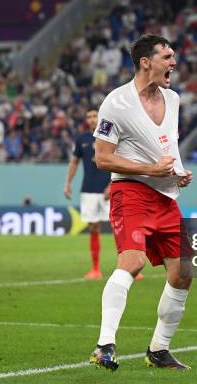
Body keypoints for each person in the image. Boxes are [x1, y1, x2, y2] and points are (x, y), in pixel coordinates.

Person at [89, 34, 194, 371]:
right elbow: (103, 159)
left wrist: (177, 171)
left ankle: (158, 350)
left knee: (184, 273)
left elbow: (165, 143)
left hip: (166, 196)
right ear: (146, 62)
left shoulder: (173, 99)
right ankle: (105, 344)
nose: (174, 63)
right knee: (131, 263)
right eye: (167, 57)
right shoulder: (115, 103)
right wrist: (150, 169)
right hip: (131, 192)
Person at [63, 109, 112, 280]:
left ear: (101, 116)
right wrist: (68, 183)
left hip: (110, 190)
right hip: (89, 190)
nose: (92, 119)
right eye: (89, 117)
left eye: (94, 116)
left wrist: (112, 185)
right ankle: (96, 268)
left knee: (121, 227)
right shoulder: (82, 139)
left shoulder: (110, 135)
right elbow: (74, 162)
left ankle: (130, 268)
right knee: (94, 227)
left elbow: (120, 161)